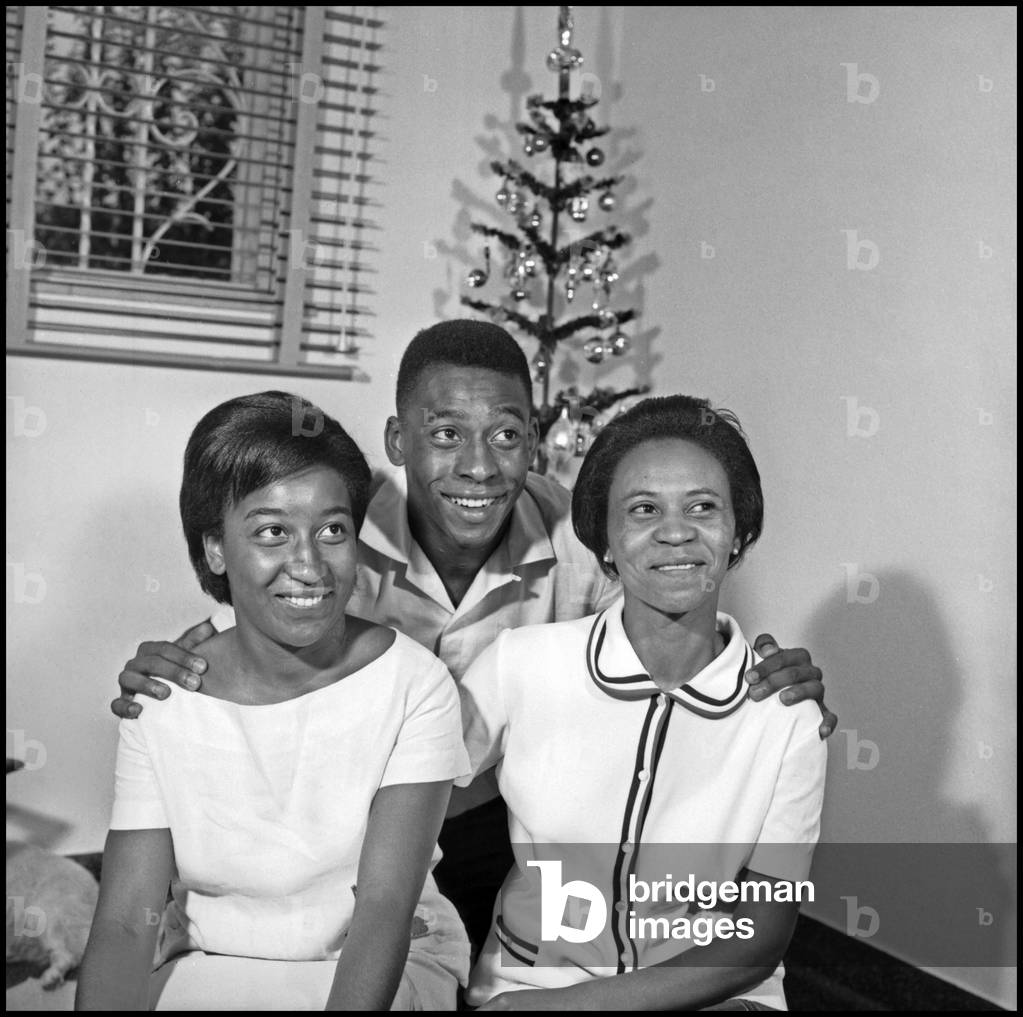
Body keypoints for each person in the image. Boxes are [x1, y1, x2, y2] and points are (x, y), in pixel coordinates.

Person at [109, 320, 834, 953]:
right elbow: (254, 641)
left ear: (535, 443)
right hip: (351, 819)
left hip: (500, 823)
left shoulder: (581, 540)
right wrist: (178, 671)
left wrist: (763, 692)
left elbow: (668, 627)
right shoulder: (331, 532)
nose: (479, 466)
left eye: (506, 435)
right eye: (446, 433)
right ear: (397, 439)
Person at [77, 392, 471, 1011]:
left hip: (377, 965)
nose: (309, 564)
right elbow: (128, 920)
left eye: (332, 530)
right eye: (272, 531)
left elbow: (384, 909)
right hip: (216, 960)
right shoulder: (164, 697)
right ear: (214, 549)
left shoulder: (413, 685)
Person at [458, 394, 827, 1010]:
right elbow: (410, 801)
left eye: (704, 508)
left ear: (740, 534)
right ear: (603, 539)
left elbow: (758, 941)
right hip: (530, 981)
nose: (675, 531)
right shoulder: (521, 663)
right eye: (643, 509)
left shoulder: (787, 714)